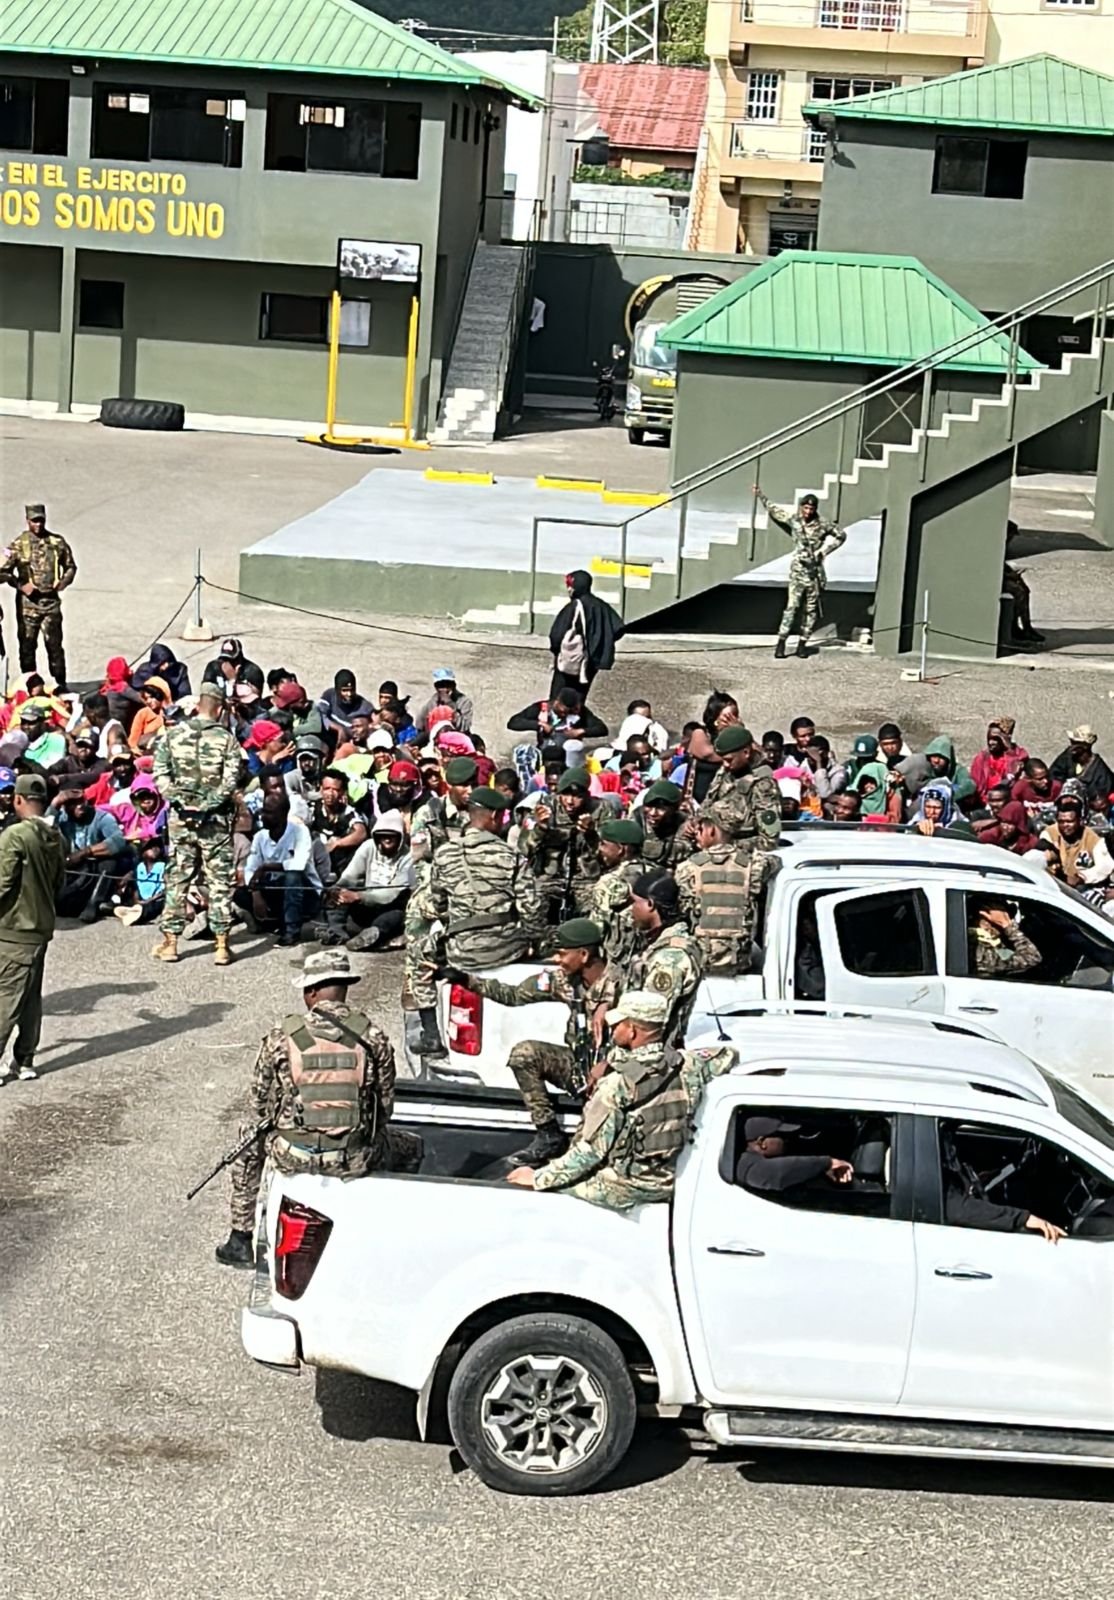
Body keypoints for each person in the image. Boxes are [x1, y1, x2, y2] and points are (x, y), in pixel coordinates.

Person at [216, 949, 406, 1268]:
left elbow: (259, 1104)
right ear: (344, 988)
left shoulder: (283, 1036)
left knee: (247, 1143)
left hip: (294, 1154)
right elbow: (385, 1107)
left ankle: (239, 1240)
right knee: (410, 1147)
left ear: (311, 992)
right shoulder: (372, 1038)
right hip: (353, 1156)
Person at [506, 991, 735, 1211]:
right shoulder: (689, 1065)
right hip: (667, 1179)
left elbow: (590, 1153)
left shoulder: (617, 1086)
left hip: (626, 1186)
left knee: (537, 1194)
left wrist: (538, 1178)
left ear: (633, 1030)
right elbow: (728, 1054)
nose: (612, 1029)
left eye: (618, 1024)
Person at [448, 918, 619, 1165]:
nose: (556, 960)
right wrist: (465, 980)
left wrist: (607, 1065)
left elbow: (648, 1038)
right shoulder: (564, 981)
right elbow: (514, 994)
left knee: (588, 1151)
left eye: (562, 954)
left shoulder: (623, 983)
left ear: (583, 954)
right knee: (525, 1054)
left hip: (614, 1073)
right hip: (580, 1065)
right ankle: (549, 1135)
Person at [417, 787, 546, 1060]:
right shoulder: (511, 856)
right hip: (507, 947)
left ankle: (431, 1034)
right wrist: (534, 942)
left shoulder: (444, 854)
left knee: (421, 955)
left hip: (462, 951)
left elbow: (437, 905)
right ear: (496, 816)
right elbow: (531, 909)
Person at [151, 680, 242, 966]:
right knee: (219, 882)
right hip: (214, 821)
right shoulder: (227, 739)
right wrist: (209, 803)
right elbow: (231, 780)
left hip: (182, 820)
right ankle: (222, 946)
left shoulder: (172, 735)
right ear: (219, 707)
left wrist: (180, 799)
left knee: (178, 877)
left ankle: (171, 944)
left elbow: (160, 775)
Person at [0, 774, 65, 1082]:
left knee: (6, 995)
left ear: (18, 799)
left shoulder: (14, 835)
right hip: (40, 926)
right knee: (30, 997)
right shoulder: (55, 835)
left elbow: (2, 882)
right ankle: (24, 1059)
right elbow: (59, 883)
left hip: (14, 926)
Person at [752, 486, 846, 659]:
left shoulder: (823, 524)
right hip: (798, 572)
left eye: (811, 508)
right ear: (801, 506)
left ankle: (802, 644)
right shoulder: (795, 520)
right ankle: (781, 644)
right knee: (791, 608)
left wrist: (824, 552)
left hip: (814, 574)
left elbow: (841, 535)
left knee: (810, 611)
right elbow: (775, 511)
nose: (808, 511)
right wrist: (761, 496)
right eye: (806, 507)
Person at [676, 807, 771, 976]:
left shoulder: (688, 868)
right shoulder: (754, 865)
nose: (696, 835)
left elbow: (684, 909)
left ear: (711, 829)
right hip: (740, 961)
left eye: (699, 829)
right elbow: (773, 858)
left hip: (702, 961)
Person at [622, 871, 705, 1045]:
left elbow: (648, 1025)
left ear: (650, 904)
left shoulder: (669, 958)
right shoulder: (659, 941)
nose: (630, 909)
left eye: (634, 902)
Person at [0, 503, 77, 687]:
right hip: (28, 606)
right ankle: (31, 687)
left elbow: (71, 566)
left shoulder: (57, 542)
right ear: (27, 521)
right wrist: (20, 585)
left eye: (41, 520)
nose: (38, 524)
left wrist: (63, 582)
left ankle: (61, 685)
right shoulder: (18, 545)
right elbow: (2, 572)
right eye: (34, 521)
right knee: (27, 648)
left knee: (55, 647)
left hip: (50, 603)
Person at [236, 790, 321, 946]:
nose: (262, 816)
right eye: (263, 810)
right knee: (240, 893)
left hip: (305, 893)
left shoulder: (300, 831)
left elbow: (299, 864)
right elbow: (251, 869)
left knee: (292, 876)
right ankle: (273, 922)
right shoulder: (260, 837)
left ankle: (291, 930)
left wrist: (267, 867)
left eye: (269, 812)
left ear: (283, 814)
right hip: (276, 891)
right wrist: (255, 893)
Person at [322, 809, 415, 951]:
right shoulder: (368, 847)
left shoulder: (409, 858)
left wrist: (358, 896)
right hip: (365, 906)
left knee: (395, 917)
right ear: (376, 836)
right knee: (338, 893)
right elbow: (350, 877)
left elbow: (391, 894)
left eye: (392, 837)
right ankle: (336, 932)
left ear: (401, 838)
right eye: (383, 836)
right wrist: (337, 890)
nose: (387, 840)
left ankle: (373, 936)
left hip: (391, 907)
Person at [521, 767, 603, 921]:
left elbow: (611, 852)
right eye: (565, 795)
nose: (570, 802)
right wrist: (540, 829)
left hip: (586, 879)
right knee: (531, 907)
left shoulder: (600, 809)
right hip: (548, 876)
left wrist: (591, 834)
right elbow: (524, 848)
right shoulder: (545, 807)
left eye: (577, 796)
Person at [701, 725, 781, 856]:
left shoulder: (763, 786)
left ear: (746, 753)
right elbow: (707, 803)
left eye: (728, 760)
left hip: (740, 859)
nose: (725, 765)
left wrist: (724, 845)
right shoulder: (726, 772)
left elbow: (769, 841)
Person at [54, 790, 130, 922]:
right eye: (73, 803)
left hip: (98, 865)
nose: (80, 806)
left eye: (82, 801)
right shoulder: (62, 818)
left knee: (109, 862)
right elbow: (40, 826)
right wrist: (55, 802)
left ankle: (93, 903)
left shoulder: (102, 817)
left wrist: (85, 852)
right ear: (65, 806)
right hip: (74, 868)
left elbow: (119, 841)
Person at [547, 569, 624, 700]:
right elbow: (618, 628)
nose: (569, 590)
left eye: (570, 586)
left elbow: (556, 635)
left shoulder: (575, 606)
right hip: (592, 663)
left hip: (572, 660)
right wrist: (598, 644)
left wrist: (558, 652)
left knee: (559, 698)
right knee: (579, 698)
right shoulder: (601, 606)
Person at [735, 1116, 853, 1194]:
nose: (788, 1140)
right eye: (783, 1137)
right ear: (762, 1143)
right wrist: (827, 1163)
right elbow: (776, 1174)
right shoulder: (748, 1168)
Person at [592, 818, 644, 968]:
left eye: (604, 844)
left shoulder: (609, 882)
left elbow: (598, 929)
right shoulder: (658, 874)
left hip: (617, 962)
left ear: (621, 849)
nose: (599, 850)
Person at [1038, 797, 1114, 896]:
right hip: (1052, 884)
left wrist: (1082, 877)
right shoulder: (1049, 833)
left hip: (1081, 889)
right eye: (1061, 821)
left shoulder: (1092, 838)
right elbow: (1040, 856)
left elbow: (1105, 866)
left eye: (1070, 821)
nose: (1065, 825)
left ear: (1079, 821)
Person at [311, 768, 367, 876]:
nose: (330, 793)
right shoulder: (312, 808)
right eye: (327, 788)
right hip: (314, 862)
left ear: (342, 792)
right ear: (321, 789)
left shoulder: (348, 811)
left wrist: (337, 843)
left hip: (341, 864)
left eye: (335, 789)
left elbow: (361, 832)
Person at [969, 898, 1042, 979]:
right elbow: (1032, 957)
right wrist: (1007, 925)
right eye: (1000, 917)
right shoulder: (979, 947)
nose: (1008, 919)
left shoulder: (992, 942)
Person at [1049, 725, 1114, 815]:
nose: (1072, 746)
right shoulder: (1067, 757)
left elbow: (1100, 800)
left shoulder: (1100, 771)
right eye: (1072, 742)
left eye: (1075, 743)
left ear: (1085, 747)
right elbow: (1054, 775)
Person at [637, 779, 694, 870]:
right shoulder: (637, 818)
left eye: (661, 809)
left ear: (674, 810)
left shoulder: (685, 824)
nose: (653, 813)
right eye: (649, 806)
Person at [969, 717, 1028, 804]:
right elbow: (977, 786)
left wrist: (1009, 749)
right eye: (989, 738)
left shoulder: (1020, 755)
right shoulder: (982, 758)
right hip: (986, 802)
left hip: (1010, 801)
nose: (990, 742)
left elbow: (1014, 773)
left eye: (996, 739)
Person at [202, 637, 264, 716]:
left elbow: (254, 699)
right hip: (217, 711)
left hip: (245, 714)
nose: (227, 663)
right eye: (224, 659)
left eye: (231, 660)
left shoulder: (252, 671)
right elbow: (206, 693)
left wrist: (233, 680)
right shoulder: (213, 667)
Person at [316, 669, 375, 740]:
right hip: (329, 737)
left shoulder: (364, 706)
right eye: (345, 690)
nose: (349, 694)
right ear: (337, 690)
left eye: (351, 690)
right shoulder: (329, 696)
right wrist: (338, 728)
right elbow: (319, 715)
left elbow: (375, 722)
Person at [416, 667, 474, 738]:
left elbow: (465, 727)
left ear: (454, 685)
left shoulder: (464, 702)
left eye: (448, 685)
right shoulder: (432, 702)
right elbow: (420, 725)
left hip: (457, 738)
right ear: (436, 687)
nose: (445, 689)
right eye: (441, 685)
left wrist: (450, 705)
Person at [127, 677, 170, 754]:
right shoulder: (142, 714)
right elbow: (132, 742)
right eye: (146, 698)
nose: (149, 701)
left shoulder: (173, 713)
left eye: (152, 697)